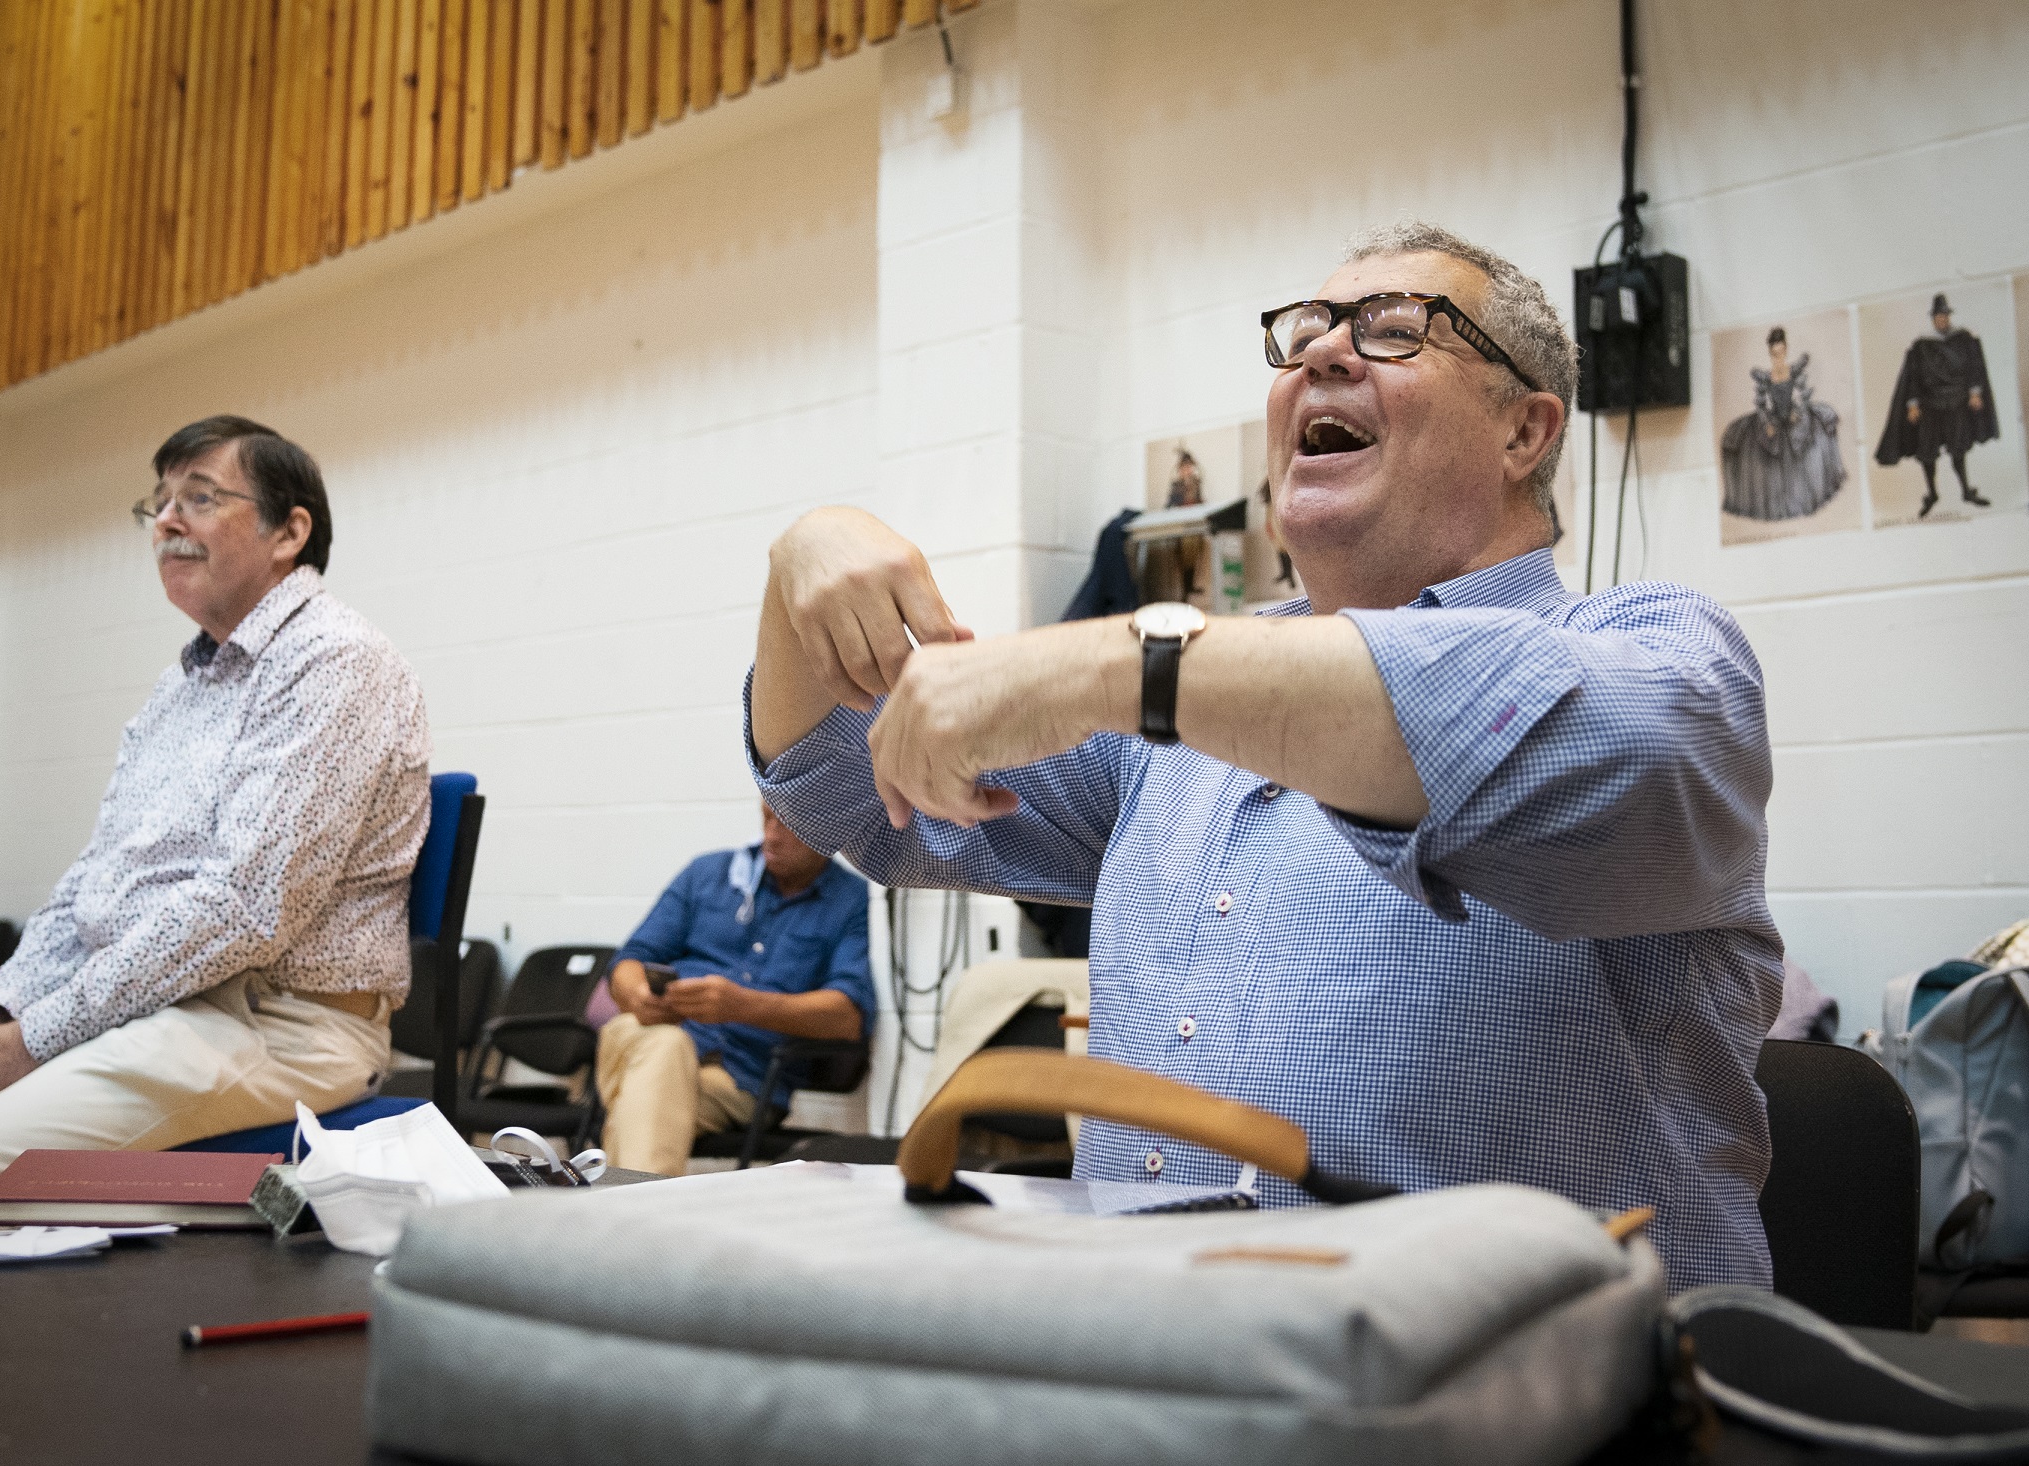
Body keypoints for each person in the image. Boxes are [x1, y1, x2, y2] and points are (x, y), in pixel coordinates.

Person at [745, 222, 1781, 1291]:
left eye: (1394, 331)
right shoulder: (1169, 728)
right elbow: (844, 786)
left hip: (1525, 1399)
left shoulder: (1657, 650)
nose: (1323, 355)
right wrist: (800, 560)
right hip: (1172, 1376)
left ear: (1525, 431)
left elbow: (1609, 753)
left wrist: (1125, 665)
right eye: (1304, 335)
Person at [0, 417, 430, 1193]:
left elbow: (245, 908)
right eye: (160, 503)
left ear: (289, 532)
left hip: (279, 1026)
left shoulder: (338, 663)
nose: (167, 521)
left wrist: (32, 1040)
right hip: (150, 1010)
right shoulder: (180, 689)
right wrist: (4, 1013)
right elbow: (92, 884)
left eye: (201, 497)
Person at [595, 803, 872, 1176]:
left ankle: (623, 1215)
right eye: (767, 817)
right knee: (666, 1044)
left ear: (828, 833)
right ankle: (643, 1223)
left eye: (789, 825)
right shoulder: (706, 874)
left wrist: (743, 1006)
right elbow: (630, 960)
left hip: (736, 1080)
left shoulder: (851, 900)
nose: (772, 835)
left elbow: (847, 1018)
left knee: (640, 1111)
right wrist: (640, 997)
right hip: (644, 1035)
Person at [1875, 293, 1998, 518]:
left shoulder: (1963, 339)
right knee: (1927, 453)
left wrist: (1974, 392)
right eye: (1937, 316)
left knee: (1958, 449)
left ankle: (1966, 491)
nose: (1941, 320)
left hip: (1957, 402)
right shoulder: (1922, 345)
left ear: (1948, 316)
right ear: (1933, 318)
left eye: (1944, 315)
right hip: (1930, 405)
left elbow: (1973, 366)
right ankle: (1932, 493)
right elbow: (1913, 377)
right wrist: (1912, 404)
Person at [1720, 326, 1848, 522]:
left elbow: (1804, 397)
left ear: (1786, 350)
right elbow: (1761, 405)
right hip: (1774, 422)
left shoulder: (1795, 371)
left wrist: (1797, 413)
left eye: (1781, 353)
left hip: (1793, 421)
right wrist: (1766, 422)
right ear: (1770, 353)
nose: (1777, 358)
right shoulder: (1765, 378)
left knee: (1808, 445)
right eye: (1773, 354)